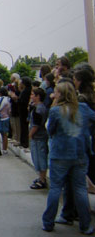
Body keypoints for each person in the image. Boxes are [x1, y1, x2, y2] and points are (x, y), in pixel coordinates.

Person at [42, 82, 95, 234]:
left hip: (60, 154)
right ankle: (85, 225)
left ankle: (48, 222)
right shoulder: (83, 108)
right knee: (80, 189)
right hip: (79, 154)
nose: (54, 95)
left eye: (57, 92)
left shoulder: (56, 111)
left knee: (56, 188)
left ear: (61, 94)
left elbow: (50, 130)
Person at [28, 88, 48, 190]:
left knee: (40, 158)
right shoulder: (37, 107)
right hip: (38, 137)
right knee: (38, 158)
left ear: (38, 96)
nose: (31, 96)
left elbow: (36, 125)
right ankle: (41, 177)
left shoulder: (39, 109)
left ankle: (42, 179)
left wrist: (30, 135)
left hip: (38, 137)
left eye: (33, 95)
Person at [18, 77, 32, 148]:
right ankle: (23, 142)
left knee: (24, 127)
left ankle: (24, 142)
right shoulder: (27, 90)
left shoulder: (26, 91)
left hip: (24, 112)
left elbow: (22, 101)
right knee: (23, 127)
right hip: (24, 111)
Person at [0, 87, 11, 154]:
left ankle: (3, 148)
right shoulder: (8, 99)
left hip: (1, 118)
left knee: (3, 134)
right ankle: (4, 148)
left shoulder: (2, 99)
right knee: (5, 134)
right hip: (7, 117)